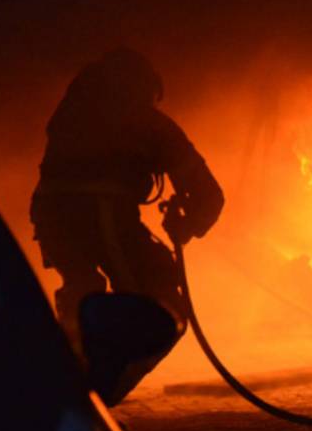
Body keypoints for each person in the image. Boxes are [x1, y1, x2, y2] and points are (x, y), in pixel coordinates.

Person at [30, 48, 223, 403]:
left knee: (84, 291)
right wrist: (188, 225)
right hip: (103, 218)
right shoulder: (150, 124)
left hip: (50, 216)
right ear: (144, 89)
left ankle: (61, 384)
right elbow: (210, 195)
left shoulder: (70, 116)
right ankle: (95, 397)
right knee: (161, 307)